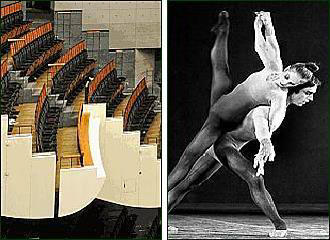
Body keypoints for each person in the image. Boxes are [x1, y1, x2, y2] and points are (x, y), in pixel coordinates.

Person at [168, 11, 321, 238]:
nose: (308, 98)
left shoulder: (278, 102)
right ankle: (280, 227)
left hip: (226, 134)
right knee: (221, 73)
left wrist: (263, 147)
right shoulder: (274, 73)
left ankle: (161, 214)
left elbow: (263, 123)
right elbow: (267, 46)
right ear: (290, 77)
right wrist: (262, 23)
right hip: (220, 125)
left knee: (190, 181)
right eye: (307, 93)